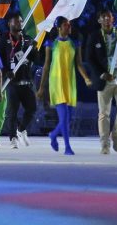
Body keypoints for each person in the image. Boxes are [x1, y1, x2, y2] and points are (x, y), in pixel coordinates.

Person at [38, 16, 90, 155]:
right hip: (57, 82)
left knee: (68, 118)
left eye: (69, 25)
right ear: (59, 27)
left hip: (70, 81)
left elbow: (79, 63)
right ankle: (67, 147)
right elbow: (46, 65)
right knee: (64, 116)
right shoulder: (51, 44)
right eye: (66, 25)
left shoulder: (75, 43)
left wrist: (86, 78)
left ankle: (54, 135)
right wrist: (42, 87)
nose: (69, 27)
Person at [85, 9, 117, 155]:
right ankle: (105, 144)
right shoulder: (94, 37)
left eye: (109, 16)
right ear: (99, 20)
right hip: (104, 81)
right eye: (103, 17)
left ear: (113, 18)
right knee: (104, 113)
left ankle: (116, 134)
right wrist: (101, 74)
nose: (106, 19)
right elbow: (89, 58)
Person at [0, 11, 37, 148]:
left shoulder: (27, 39)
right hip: (12, 83)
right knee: (12, 112)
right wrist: (6, 72)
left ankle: (20, 129)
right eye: (16, 21)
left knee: (32, 109)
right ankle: (12, 138)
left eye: (21, 21)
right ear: (9, 23)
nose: (19, 23)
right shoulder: (3, 40)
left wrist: (35, 49)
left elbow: (36, 59)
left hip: (26, 81)